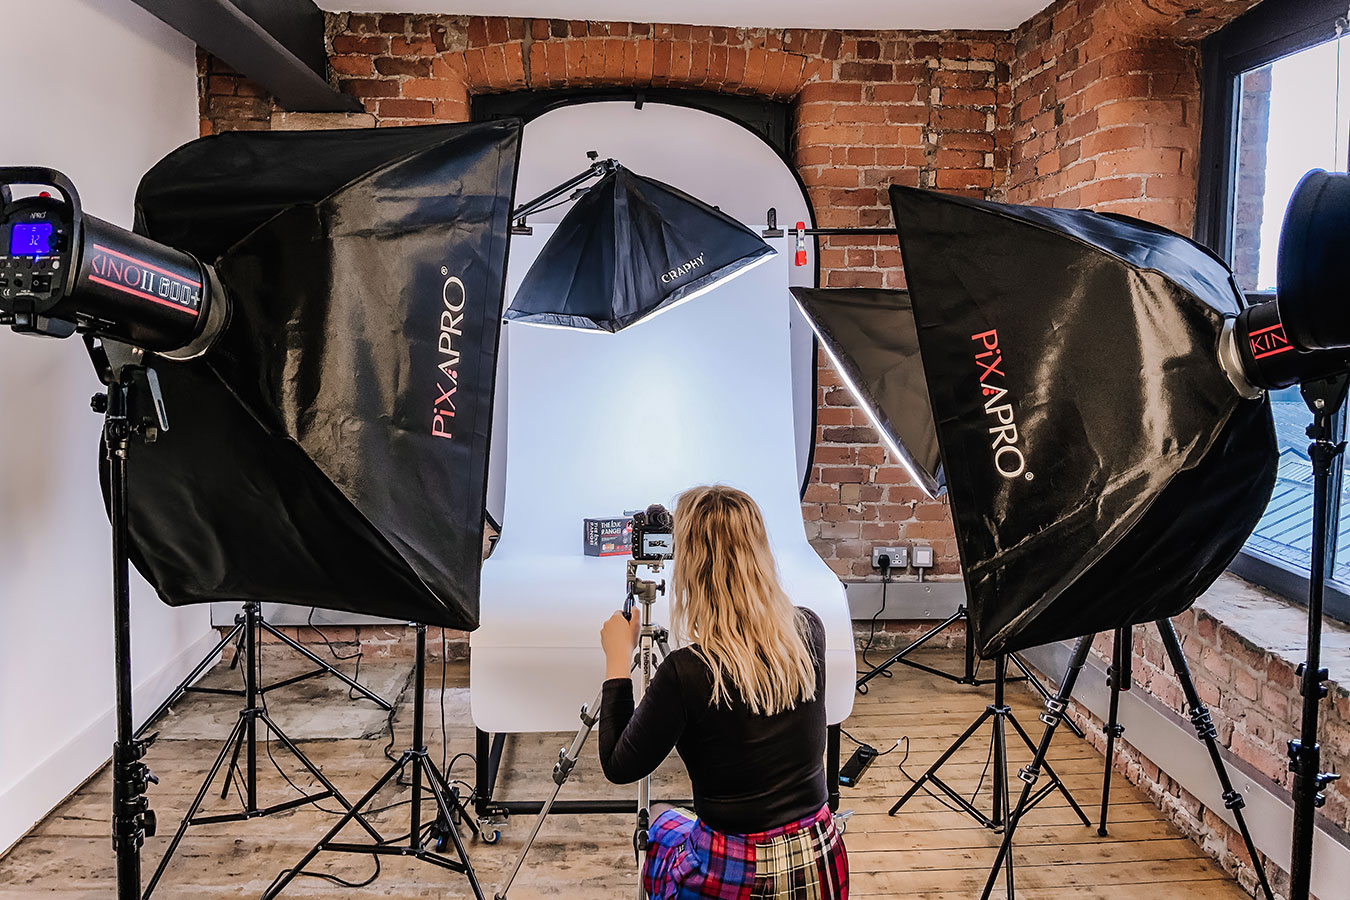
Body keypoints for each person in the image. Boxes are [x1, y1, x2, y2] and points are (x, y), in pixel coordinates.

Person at [598, 485, 847, 900]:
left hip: (737, 872)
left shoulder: (687, 671)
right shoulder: (809, 629)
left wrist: (617, 663)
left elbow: (618, 765)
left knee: (657, 818)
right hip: (819, 858)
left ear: (692, 568)